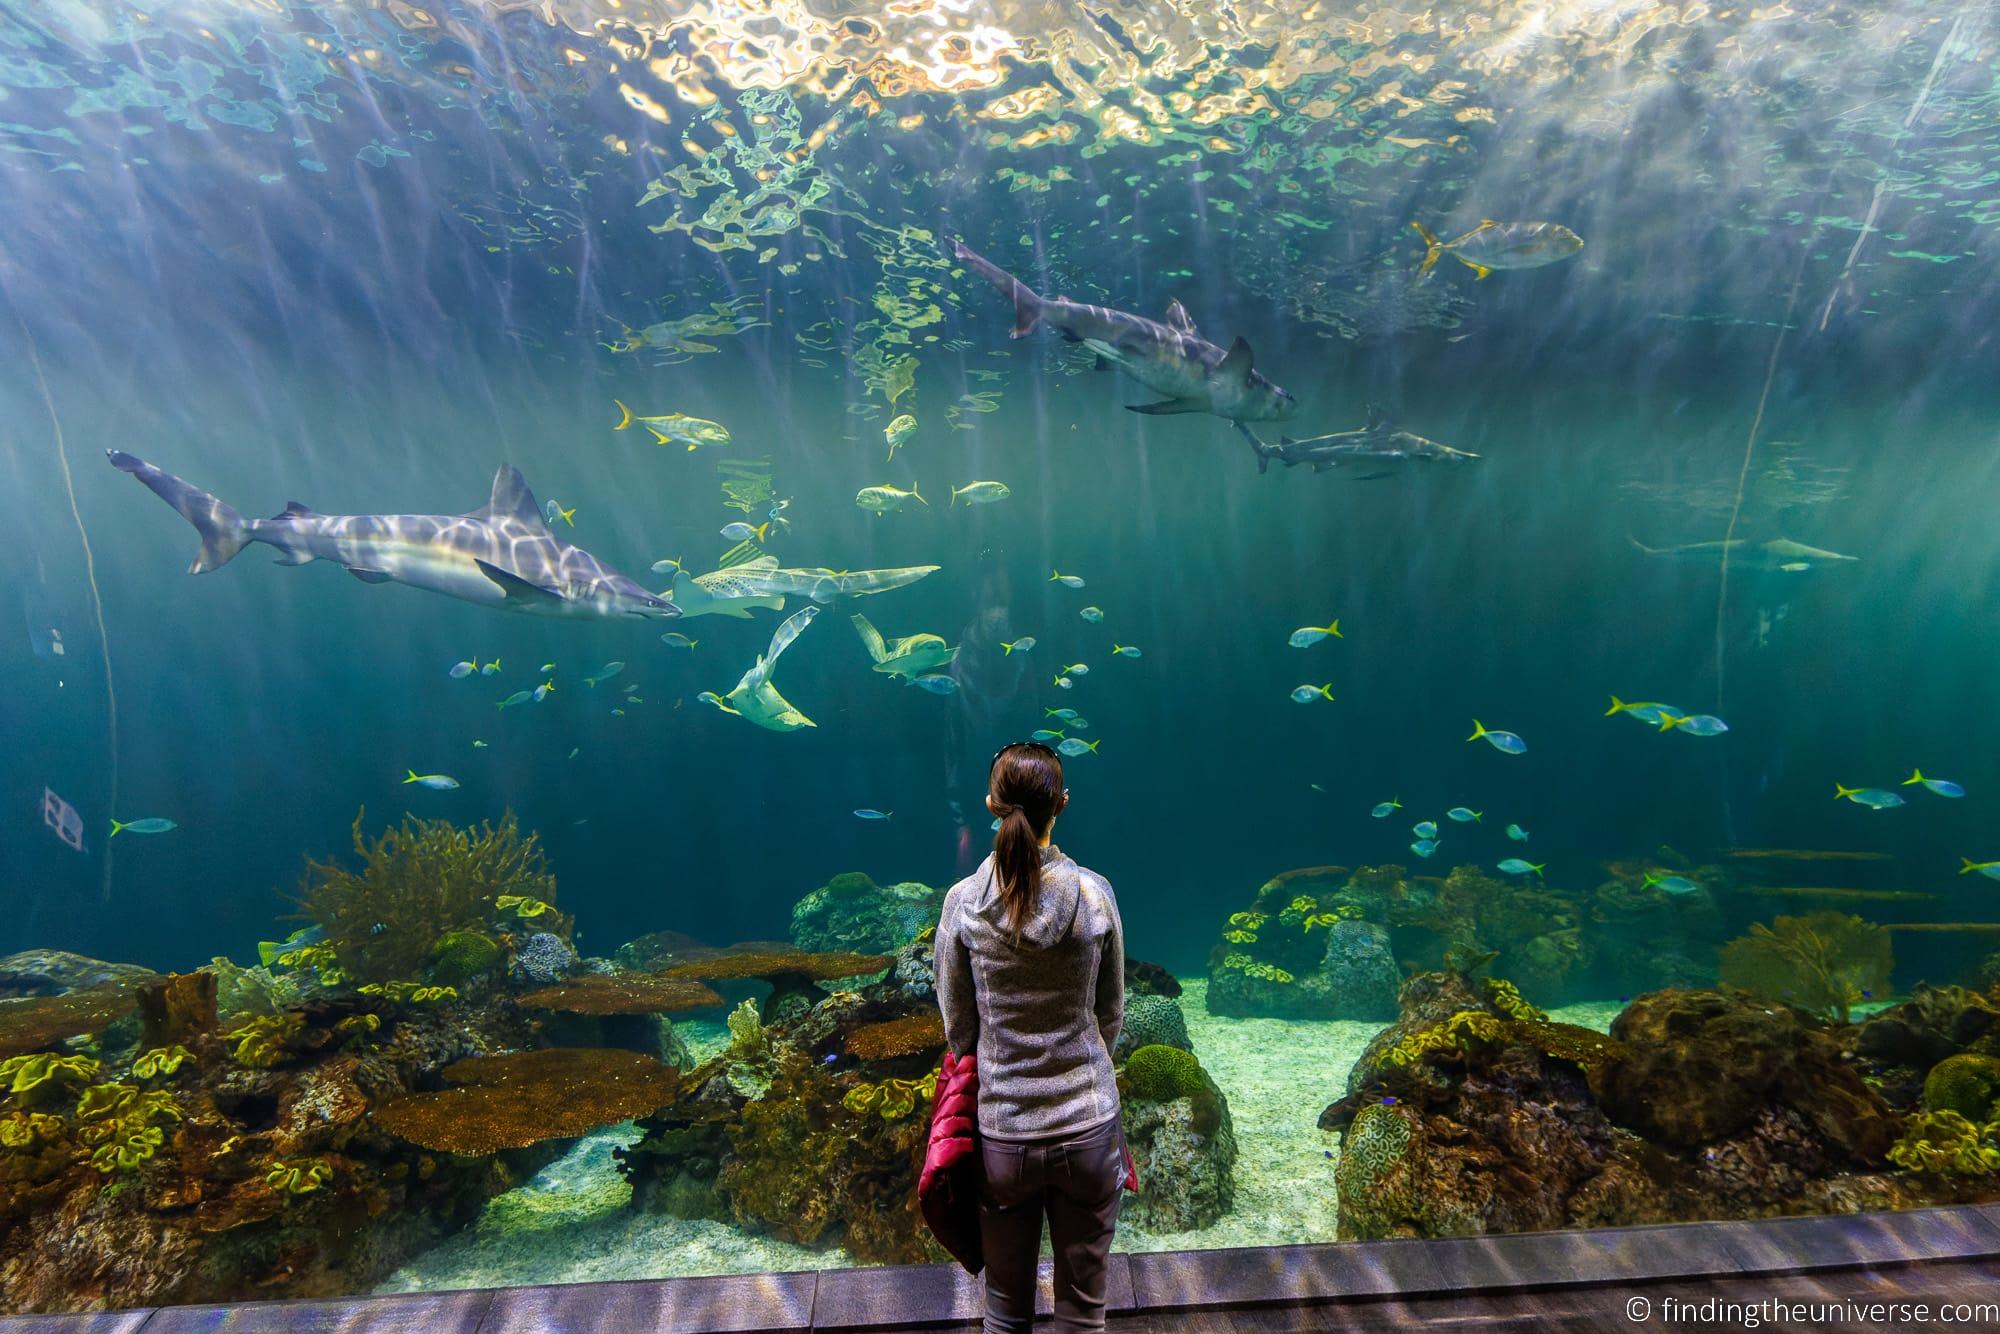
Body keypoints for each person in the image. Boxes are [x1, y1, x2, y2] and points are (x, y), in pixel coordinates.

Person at [934, 741, 1127, 1333]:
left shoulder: (964, 904)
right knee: (1083, 1314)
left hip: (1005, 1137)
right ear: (1061, 804)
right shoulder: (1095, 895)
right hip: (1089, 1127)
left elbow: (958, 1028)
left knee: (1005, 1313)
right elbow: (1111, 1012)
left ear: (992, 804)